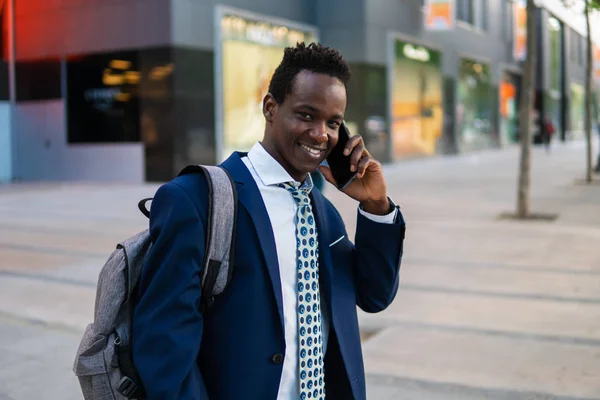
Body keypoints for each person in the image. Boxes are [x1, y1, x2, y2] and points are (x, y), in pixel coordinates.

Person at [132, 42, 406, 400]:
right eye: (306, 115)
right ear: (270, 107)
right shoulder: (197, 199)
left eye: (333, 122)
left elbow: (375, 295)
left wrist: (376, 205)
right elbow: (163, 341)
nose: (321, 134)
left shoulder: (325, 216)